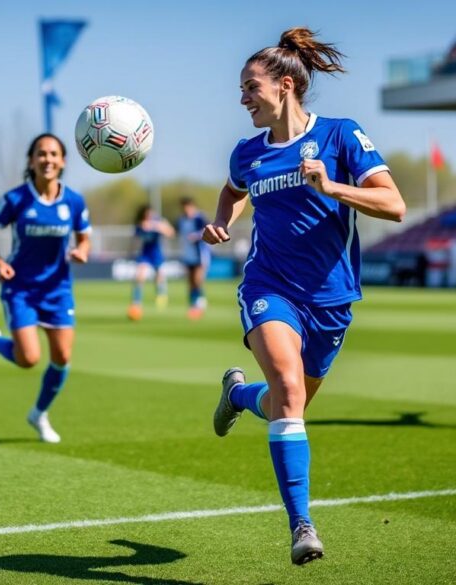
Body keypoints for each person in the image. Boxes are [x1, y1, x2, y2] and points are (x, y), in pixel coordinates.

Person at [204, 27, 405, 565]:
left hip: (332, 298)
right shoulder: (248, 153)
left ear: (286, 85)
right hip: (269, 287)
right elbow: (232, 189)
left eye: (251, 87)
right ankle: (302, 526)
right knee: (290, 393)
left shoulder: (341, 136)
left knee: (280, 405)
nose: (243, 98)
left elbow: (395, 204)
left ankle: (237, 395)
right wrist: (222, 220)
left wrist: (333, 187)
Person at [0, 133, 92, 443]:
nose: (47, 159)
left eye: (53, 154)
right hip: (21, 287)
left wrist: (82, 251)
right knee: (28, 359)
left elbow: (84, 236)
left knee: (62, 356)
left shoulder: (74, 201)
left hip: (58, 289)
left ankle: (39, 414)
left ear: (63, 161)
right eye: (41, 153)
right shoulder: (15, 199)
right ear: (31, 160)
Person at [127, 205, 173, 321]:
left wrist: (158, 226)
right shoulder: (139, 226)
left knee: (158, 276)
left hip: (156, 253)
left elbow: (170, 233)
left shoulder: (157, 223)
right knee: (139, 277)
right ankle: (136, 302)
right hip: (145, 254)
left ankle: (161, 293)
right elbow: (136, 238)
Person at [176, 197, 210, 320]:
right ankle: (193, 305)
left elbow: (207, 230)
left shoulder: (200, 218)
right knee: (190, 282)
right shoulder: (181, 220)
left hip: (200, 254)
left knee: (197, 279)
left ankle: (199, 303)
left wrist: (196, 236)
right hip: (187, 254)